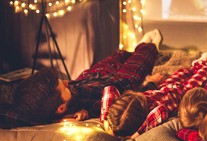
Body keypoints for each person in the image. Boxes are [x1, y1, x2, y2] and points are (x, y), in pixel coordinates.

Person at [9, 30, 162, 126]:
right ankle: (149, 46)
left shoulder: (42, 108)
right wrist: (151, 84)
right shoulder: (85, 107)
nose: (65, 81)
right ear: (60, 108)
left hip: (89, 78)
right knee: (136, 65)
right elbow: (126, 102)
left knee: (118, 56)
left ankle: (134, 50)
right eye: (63, 86)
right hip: (115, 84)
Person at [103, 56, 207, 138]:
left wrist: (105, 117)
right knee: (203, 73)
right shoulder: (150, 116)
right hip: (182, 95)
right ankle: (204, 63)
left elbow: (109, 89)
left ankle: (195, 65)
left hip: (164, 88)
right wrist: (137, 133)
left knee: (183, 72)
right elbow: (161, 110)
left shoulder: (136, 103)